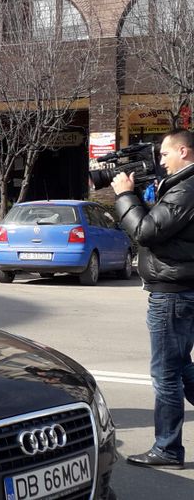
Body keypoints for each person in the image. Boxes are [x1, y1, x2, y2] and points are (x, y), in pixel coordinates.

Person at [112, 128, 194, 470]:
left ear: (184, 152)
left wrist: (125, 196)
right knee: (181, 365)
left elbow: (146, 231)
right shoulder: (180, 187)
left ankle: (168, 449)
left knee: (166, 375)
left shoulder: (186, 189)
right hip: (178, 290)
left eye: (165, 153)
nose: (161, 160)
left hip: (172, 295)